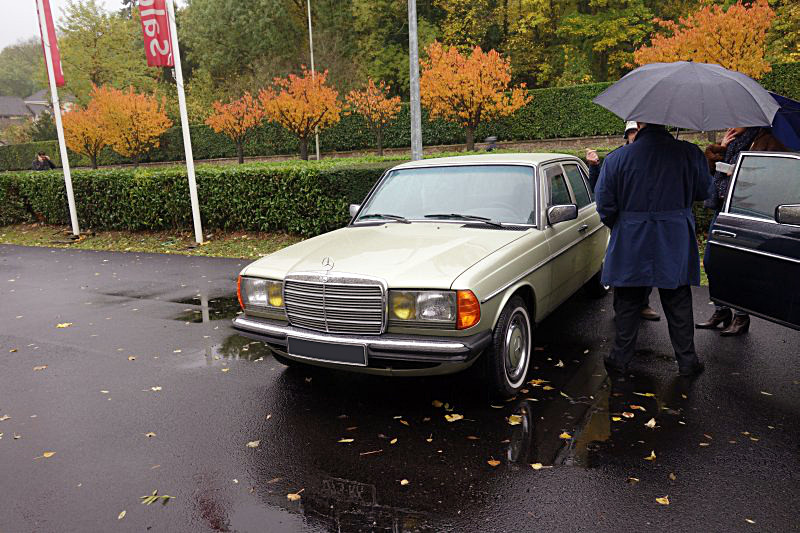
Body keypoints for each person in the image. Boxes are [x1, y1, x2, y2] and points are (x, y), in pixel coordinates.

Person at [595, 123, 711, 378]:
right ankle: (687, 361)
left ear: (641, 123)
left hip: (632, 238)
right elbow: (705, 191)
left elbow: (604, 203)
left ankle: (619, 360)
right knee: (678, 300)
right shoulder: (689, 153)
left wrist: (624, 224)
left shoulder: (616, 158)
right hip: (674, 239)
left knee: (627, 300)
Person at [696, 127, 787, 336]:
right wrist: (720, 149)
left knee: (737, 265)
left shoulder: (767, 140)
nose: (732, 123)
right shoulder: (732, 141)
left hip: (746, 210)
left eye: (738, 119)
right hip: (722, 208)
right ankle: (721, 310)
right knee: (712, 262)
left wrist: (744, 171)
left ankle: (741, 316)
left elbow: (776, 175)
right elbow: (710, 172)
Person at [587, 121, 661, 322]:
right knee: (624, 270)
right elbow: (600, 191)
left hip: (648, 225)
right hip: (624, 224)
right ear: (626, 136)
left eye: (637, 131)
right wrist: (617, 222)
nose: (634, 135)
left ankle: (643, 304)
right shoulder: (618, 158)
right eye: (631, 133)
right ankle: (622, 309)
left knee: (647, 265)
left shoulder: (654, 158)